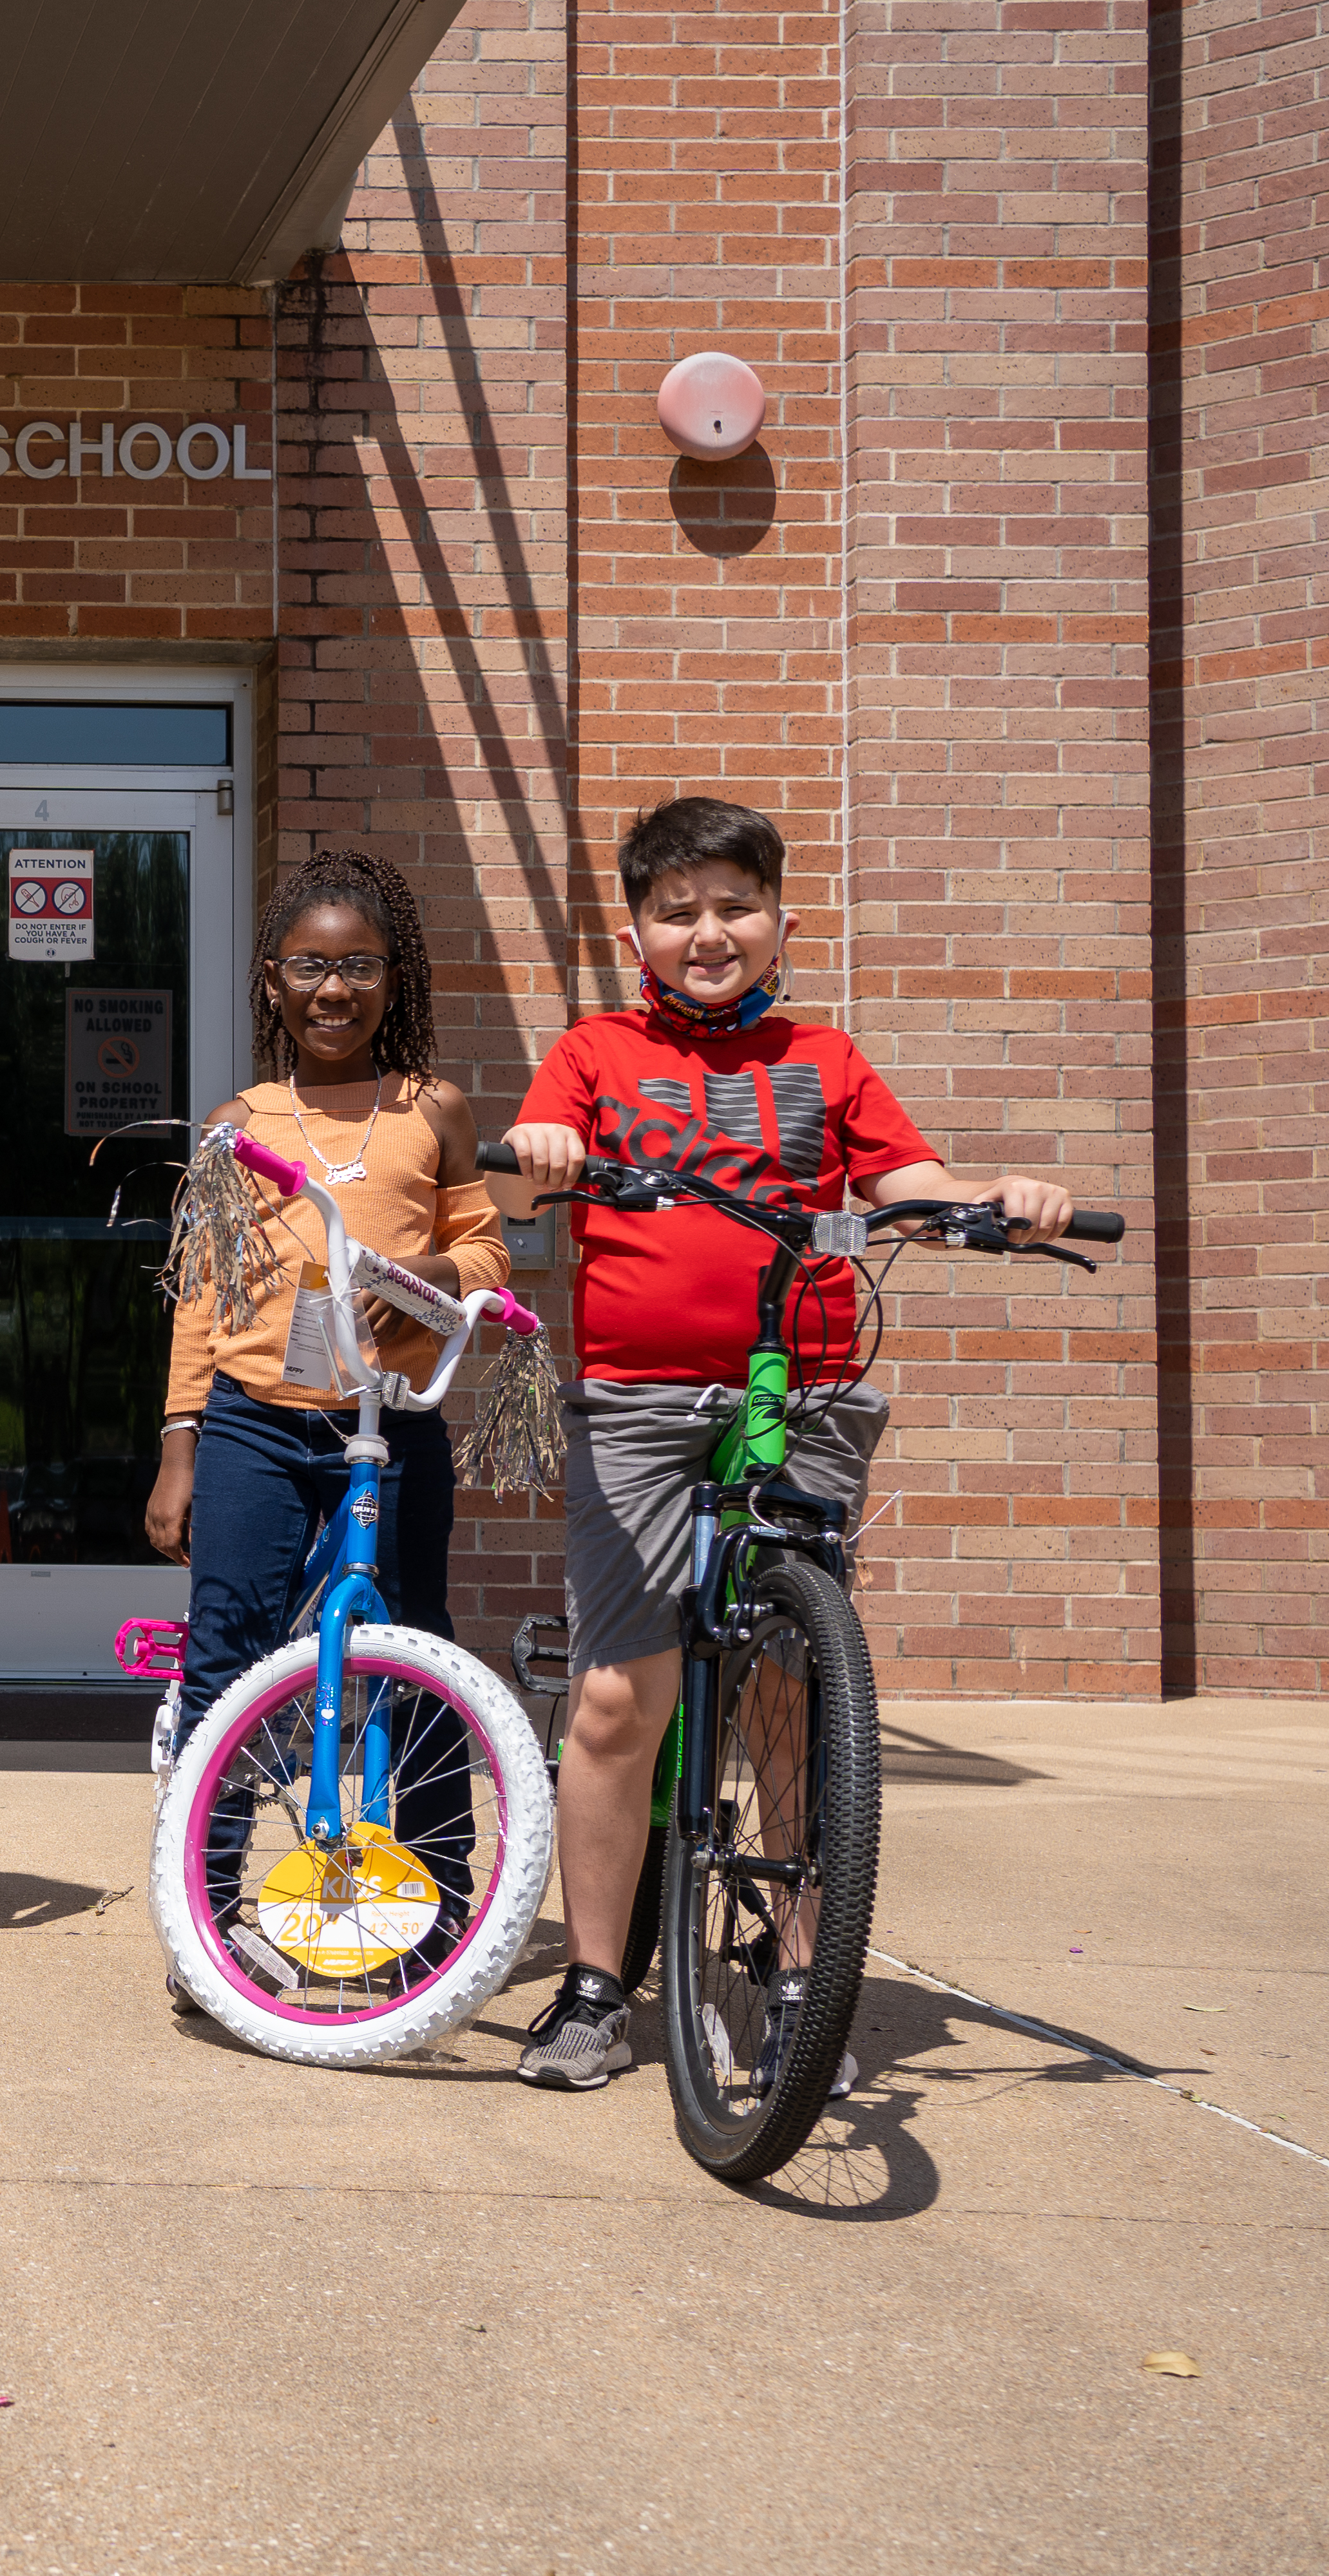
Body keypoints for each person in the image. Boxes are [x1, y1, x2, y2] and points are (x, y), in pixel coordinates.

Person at [501, 795, 1075, 2088]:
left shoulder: (824, 1057)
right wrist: (538, 1155)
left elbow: (903, 1183)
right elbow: (520, 1181)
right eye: (677, 910)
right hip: (642, 1398)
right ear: (636, 929)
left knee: (788, 1687)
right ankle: (597, 1985)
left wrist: (998, 1197)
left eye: (733, 906)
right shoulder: (595, 1052)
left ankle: (806, 1969)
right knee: (615, 1694)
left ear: (781, 920)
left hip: (802, 1389)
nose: (708, 932)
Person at [143, 848, 509, 2002]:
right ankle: (204, 1911)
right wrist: (180, 1443)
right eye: (310, 967)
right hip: (258, 1421)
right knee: (225, 1656)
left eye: (358, 967)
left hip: (391, 1425)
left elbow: (492, 1254)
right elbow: (201, 1292)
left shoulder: (432, 1112)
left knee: (417, 1658)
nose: (334, 990)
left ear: (395, 979)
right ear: (270, 981)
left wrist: (426, 1269)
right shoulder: (238, 1122)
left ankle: (442, 1919)